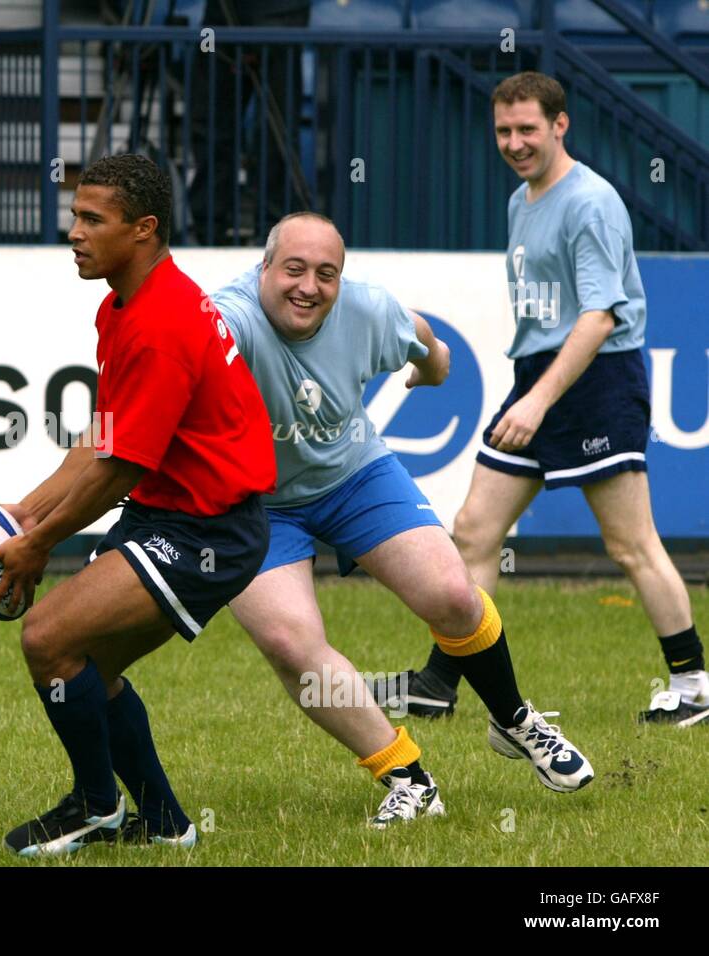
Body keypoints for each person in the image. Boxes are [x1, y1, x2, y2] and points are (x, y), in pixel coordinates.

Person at [210, 212, 595, 823]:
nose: (309, 286)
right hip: (253, 502)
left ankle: (515, 719)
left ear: (342, 280)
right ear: (263, 268)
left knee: (453, 596)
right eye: (294, 269)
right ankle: (408, 779)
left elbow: (428, 345)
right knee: (290, 643)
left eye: (326, 274)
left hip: (354, 475)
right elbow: (183, 354)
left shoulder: (366, 310)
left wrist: (429, 370)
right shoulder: (227, 318)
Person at [390, 72, 707, 728]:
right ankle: (440, 682)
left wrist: (536, 402)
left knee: (631, 545)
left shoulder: (591, 202)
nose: (515, 142)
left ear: (560, 125)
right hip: (539, 373)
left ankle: (694, 685)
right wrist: (531, 393)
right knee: (475, 530)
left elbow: (599, 317)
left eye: (528, 128)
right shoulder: (521, 200)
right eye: (504, 130)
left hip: (596, 380)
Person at [0, 154, 276, 855]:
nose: (74, 233)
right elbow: (104, 439)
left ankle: (94, 806)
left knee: (48, 640)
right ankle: (166, 824)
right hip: (169, 514)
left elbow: (119, 470)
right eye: (75, 216)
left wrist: (40, 541)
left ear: (143, 229)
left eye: (92, 219)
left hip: (210, 529)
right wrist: (30, 510)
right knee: (91, 666)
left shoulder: (160, 324)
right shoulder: (124, 306)